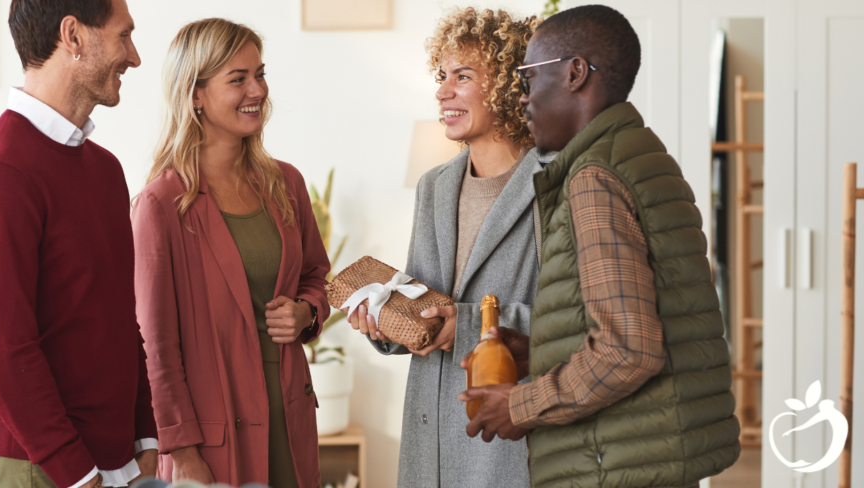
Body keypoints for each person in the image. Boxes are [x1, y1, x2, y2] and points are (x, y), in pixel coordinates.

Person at [458, 5, 741, 488]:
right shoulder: (641, 156)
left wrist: (521, 405)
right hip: (651, 455)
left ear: (574, 73)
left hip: (611, 467)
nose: (523, 98)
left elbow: (630, 350)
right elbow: (650, 321)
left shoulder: (593, 177)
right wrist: (542, 350)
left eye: (529, 76)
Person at [0, 0, 157, 487]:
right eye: (124, 36)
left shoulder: (104, 171)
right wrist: (75, 472)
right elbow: (1, 350)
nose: (135, 56)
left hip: (117, 464)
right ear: (74, 36)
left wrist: (145, 436)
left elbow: (121, 320)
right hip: (41, 469)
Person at [347, 8, 550, 487]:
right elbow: (425, 301)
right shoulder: (434, 186)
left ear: (506, 83)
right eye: (442, 76)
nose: (442, 91)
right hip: (428, 429)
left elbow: (576, 320)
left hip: (503, 432)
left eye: (463, 76)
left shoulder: (555, 183)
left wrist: (470, 326)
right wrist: (386, 322)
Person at [132, 18, 330, 488]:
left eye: (259, 74)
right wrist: (182, 454)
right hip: (212, 442)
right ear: (195, 94)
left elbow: (318, 276)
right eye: (237, 79)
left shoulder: (287, 183)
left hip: (290, 418)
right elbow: (154, 347)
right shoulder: (161, 204)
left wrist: (306, 312)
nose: (257, 90)